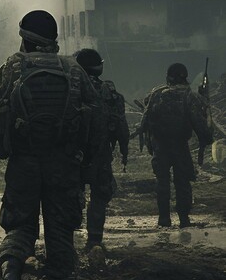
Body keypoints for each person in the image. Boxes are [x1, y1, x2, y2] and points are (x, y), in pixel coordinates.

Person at [0, 11, 102, 280]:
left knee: (19, 227)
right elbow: (96, 123)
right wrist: (90, 170)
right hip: (64, 166)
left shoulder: (11, 68)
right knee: (59, 233)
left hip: (23, 164)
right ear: (53, 41)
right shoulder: (74, 70)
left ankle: (11, 278)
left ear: (25, 38)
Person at [139, 63, 213, 228]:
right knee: (182, 183)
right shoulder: (189, 96)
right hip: (180, 146)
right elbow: (200, 126)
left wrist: (151, 144)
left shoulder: (156, 94)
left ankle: (163, 219)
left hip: (160, 146)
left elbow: (146, 120)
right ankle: (184, 220)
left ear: (168, 77)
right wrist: (206, 137)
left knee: (162, 182)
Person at [74, 48, 129, 251]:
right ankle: (94, 239)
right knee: (99, 196)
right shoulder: (110, 94)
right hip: (100, 153)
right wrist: (124, 150)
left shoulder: (70, 90)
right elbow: (121, 127)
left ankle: (68, 236)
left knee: (71, 193)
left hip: (73, 154)